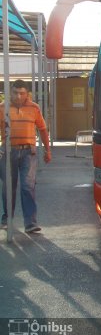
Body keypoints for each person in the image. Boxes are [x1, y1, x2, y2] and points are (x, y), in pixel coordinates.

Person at [0, 80, 52, 233]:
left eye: (22, 93)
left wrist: (48, 151)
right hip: (8, 152)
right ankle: (7, 218)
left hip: (29, 153)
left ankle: (30, 222)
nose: (18, 96)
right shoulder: (2, 108)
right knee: (8, 187)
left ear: (27, 94)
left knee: (27, 186)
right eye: (15, 92)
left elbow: (42, 129)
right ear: (10, 92)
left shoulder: (34, 108)